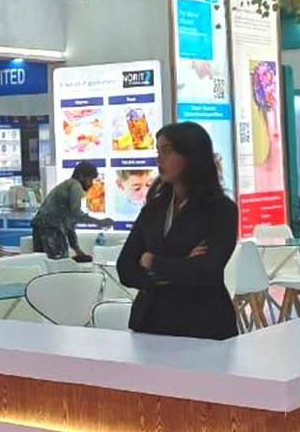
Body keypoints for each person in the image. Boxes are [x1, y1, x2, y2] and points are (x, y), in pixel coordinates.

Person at [116, 121, 239, 340]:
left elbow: (206, 271)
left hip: (202, 326)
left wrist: (151, 260)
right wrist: (180, 265)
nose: (159, 159)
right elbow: (125, 267)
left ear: (191, 156)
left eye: (167, 151)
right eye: (158, 152)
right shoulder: (154, 208)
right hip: (150, 324)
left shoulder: (220, 209)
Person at [31, 161, 112, 261]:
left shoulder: (67, 186)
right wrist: (99, 222)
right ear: (81, 176)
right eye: (90, 179)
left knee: (41, 262)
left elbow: (69, 223)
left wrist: (77, 249)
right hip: (51, 228)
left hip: (39, 226)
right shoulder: (75, 186)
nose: (91, 184)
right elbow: (76, 214)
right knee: (58, 263)